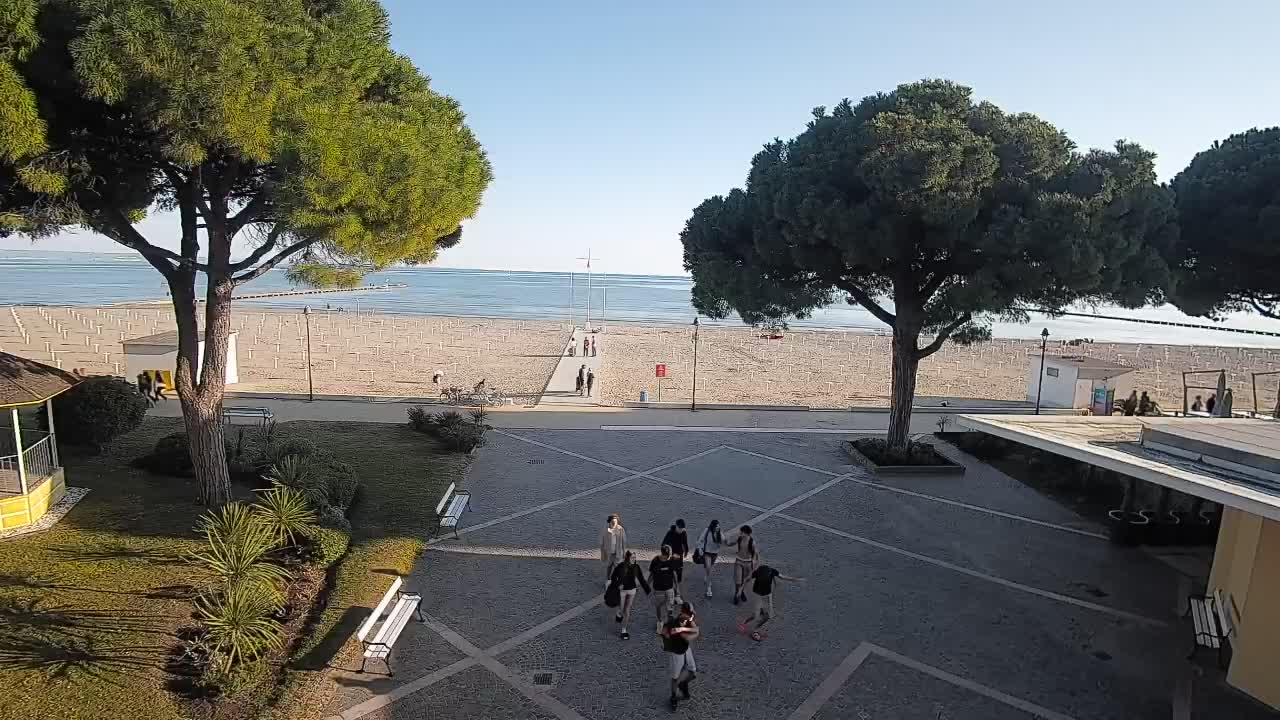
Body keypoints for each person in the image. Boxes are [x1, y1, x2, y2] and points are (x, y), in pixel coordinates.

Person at [738, 563, 804, 642]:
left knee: (768, 616)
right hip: (757, 595)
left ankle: (750, 624)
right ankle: (753, 630)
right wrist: (740, 590)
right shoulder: (757, 573)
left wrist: (795, 579)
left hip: (767, 595)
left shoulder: (772, 571)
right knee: (756, 615)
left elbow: (783, 577)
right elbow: (746, 580)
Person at [663, 601, 699, 711]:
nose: (692, 615)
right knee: (675, 677)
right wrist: (686, 630)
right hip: (677, 653)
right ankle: (673, 697)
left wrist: (683, 629)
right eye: (690, 613)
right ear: (684, 612)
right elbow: (689, 636)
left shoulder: (686, 619)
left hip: (686, 650)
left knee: (692, 672)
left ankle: (682, 684)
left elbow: (695, 629)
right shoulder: (675, 623)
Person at [609, 550, 650, 640]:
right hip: (622, 591)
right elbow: (613, 577)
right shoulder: (621, 567)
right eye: (632, 557)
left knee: (627, 611)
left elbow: (642, 580)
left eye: (635, 558)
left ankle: (624, 630)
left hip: (632, 590)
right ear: (627, 558)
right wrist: (618, 585)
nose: (634, 559)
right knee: (621, 608)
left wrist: (648, 591)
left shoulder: (636, 567)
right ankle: (619, 612)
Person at [723, 524, 759, 605]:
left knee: (744, 581)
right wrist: (726, 542)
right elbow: (732, 543)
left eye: (742, 532)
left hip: (748, 563)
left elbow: (756, 554)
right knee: (737, 581)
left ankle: (741, 592)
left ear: (746, 533)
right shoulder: (740, 539)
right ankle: (737, 594)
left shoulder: (752, 542)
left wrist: (754, 563)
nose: (740, 533)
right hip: (739, 561)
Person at [648, 544, 680, 632]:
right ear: (668, 553)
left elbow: (651, 575)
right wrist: (677, 587)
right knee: (668, 607)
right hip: (668, 588)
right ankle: (668, 625)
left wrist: (647, 585)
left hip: (659, 589)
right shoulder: (670, 561)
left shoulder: (655, 560)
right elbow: (674, 575)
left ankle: (660, 623)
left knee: (660, 607)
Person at [661, 519, 690, 600]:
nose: (681, 530)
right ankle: (676, 592)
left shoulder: (684, 533)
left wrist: (686, 551)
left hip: (679, 555)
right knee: (672, 573)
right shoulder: (670, 533)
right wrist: (670, 554)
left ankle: (677, 588)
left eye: (682, 529)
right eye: (679, 528)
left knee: (679, 574)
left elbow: (685, 543)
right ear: (676, 526)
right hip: (670, 555)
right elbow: (663, 545)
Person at [696, 519, 723, 598]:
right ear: (713, 526)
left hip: (714, 554)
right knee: (708, 568)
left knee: (709, 567)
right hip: (707, 553)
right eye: (717, 526)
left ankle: (707, 576)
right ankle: (709, 589)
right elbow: (700, 540)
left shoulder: (720, 533)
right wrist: (700, 548)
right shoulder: (707, 531)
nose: (718, 527)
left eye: (719, 526)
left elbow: (724, 541)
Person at [599, 514, 627, 589]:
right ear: (610, 522)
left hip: (618, 552)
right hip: (609, 553)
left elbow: (624, 542)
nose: (615, 523)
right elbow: (601, 542)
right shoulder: (605, 530)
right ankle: (608, 579)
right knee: (609, 566)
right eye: (613, 522)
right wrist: (603, 552)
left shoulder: (621, 529)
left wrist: (624, 552)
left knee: (618, 567)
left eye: (616, 521)